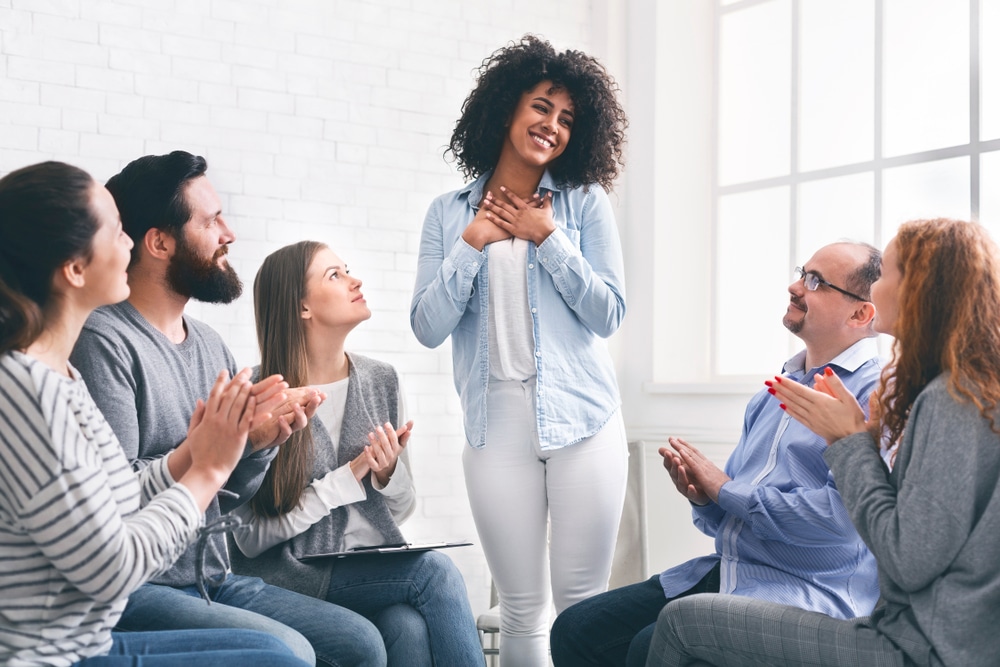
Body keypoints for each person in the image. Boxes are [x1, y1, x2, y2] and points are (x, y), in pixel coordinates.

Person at [69, 152, 383, 666]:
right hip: (142, 586)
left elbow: (227, 500)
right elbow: (116, 493)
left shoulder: (211, 346)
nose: (228, 234)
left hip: (214, 577)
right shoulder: (106, 342)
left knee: (361, 643)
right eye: (211, 220)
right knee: (290, 652)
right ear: (160, 242)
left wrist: (257, 444)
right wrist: (205, 449)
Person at [647, 218, 1000, 667]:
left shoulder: (952, 400)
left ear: (923, 289)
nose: (877, 289)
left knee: (681, 622)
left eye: (887, 274)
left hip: (920, 646)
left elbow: (906, 559)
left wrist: (848, 440)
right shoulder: (955, 390)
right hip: (919, 632)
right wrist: (712, 496)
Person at [0, 161, 309, 666]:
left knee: (280, 653)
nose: (129, 244)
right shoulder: (28, 392)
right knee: (280, 659)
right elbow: (113, 568)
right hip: (51, 655)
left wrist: (208, 448)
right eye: (116, 231)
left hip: (93, 641)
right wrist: (207, 468)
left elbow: (116, 501)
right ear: (75, 270)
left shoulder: (61, 379)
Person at [550, 242, 884, 667]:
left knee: (649, 646)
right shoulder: (771, 396)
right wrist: (703, 497)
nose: (795, 286)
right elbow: (726, 518)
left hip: (808, 589)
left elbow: (841, 522)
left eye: (815, 282)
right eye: (803, 272)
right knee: (577, 629)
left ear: (860, 314)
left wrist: (725, 490)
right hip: (731, 568)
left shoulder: (875, 399)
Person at [410, 35, 630, 666]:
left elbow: (609, 312)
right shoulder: (448, 214)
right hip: (494, 422)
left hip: (584, 419)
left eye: (566, 119)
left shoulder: (584, 203)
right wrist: (473, 242)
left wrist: (550, 237)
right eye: (541, 108)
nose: (552, 127)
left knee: (582, 603)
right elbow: (427, 325)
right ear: (506, 109)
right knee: (521, 610)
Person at [227, 240, 484, 666]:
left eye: (347, 269)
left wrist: (386, 475)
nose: (355, 280)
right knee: (433, 573)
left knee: (407, 626)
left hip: (367, 571)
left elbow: (399, 511)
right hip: (288, 576)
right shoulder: (263, 395)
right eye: (335, 275)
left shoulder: (382, 379)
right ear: (303, 307)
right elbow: (250, 541)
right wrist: (345, 480)